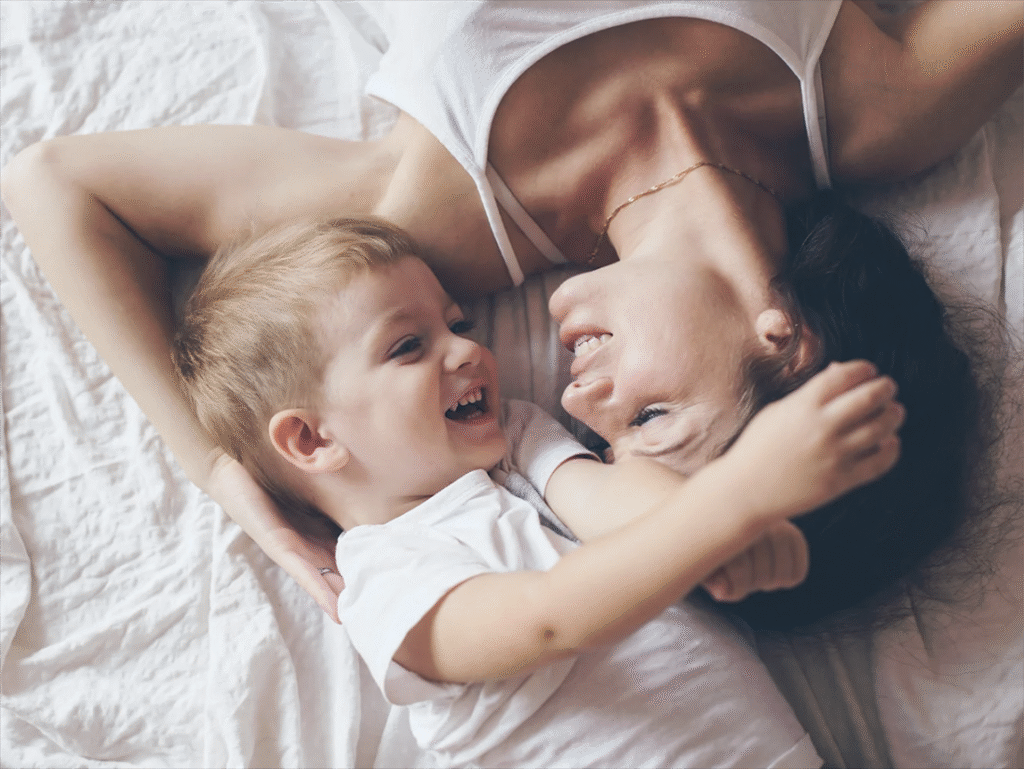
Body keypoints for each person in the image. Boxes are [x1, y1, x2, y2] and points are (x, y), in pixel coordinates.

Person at [2, 0, 1020, 629]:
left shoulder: (432, 230)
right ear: (788, 340)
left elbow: (57, 186)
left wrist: (224, 473)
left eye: (597, 435)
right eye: (651, 421)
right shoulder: (885, 110)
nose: (579, 394)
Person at [171, 216, 903, 767]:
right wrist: (731, 501)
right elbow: (553, 618)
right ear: (313, 440)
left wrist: (723, 533)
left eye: (455, 322)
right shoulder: (384, 584)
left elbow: (613, 500)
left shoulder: (515, 440)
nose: (466, 348)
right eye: (408, 346)